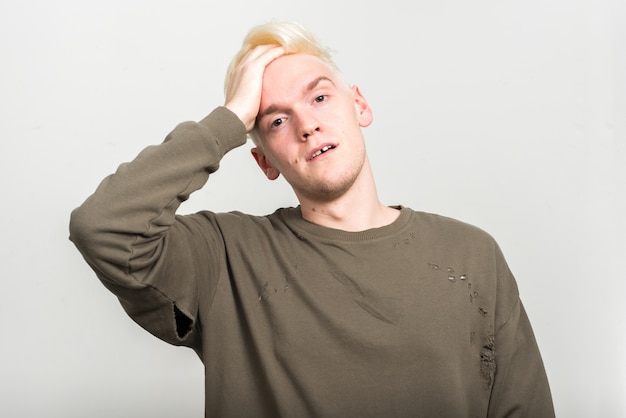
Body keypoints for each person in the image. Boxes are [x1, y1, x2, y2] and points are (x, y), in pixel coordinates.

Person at [69, 20, 554, 417]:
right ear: (264, 161)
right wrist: (230, 118)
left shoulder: (471, 255)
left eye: (319, 97)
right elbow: (103, 226)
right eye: (276, 121)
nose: (307, 125)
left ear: (358, 104)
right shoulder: (224, 258)